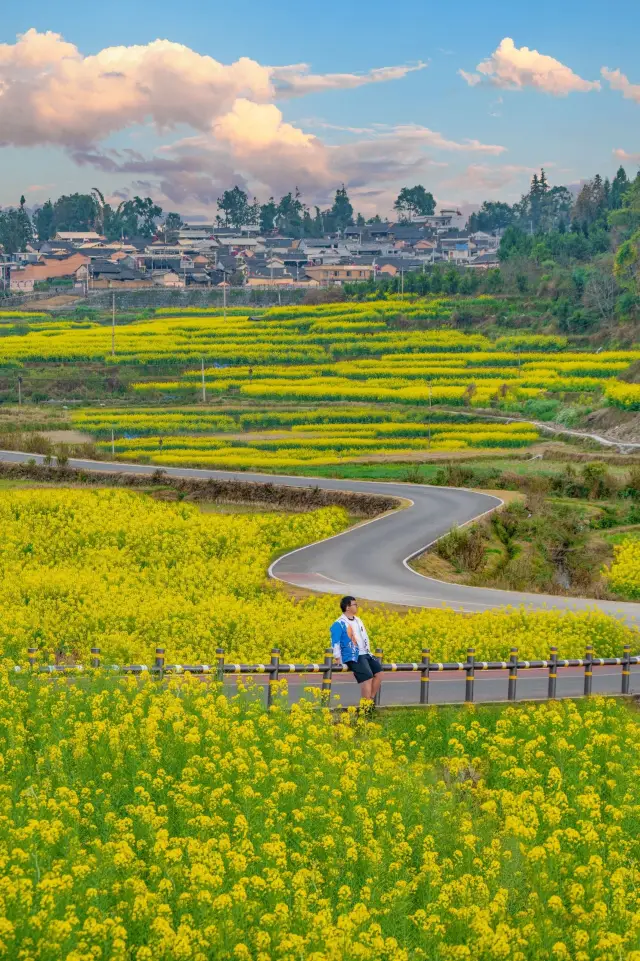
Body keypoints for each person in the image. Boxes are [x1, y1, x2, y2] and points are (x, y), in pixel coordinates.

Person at [330, 596, 382, 707]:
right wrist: (337, 656)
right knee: (367, 677)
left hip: (366, 653)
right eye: (354, 604)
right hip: (353, 655)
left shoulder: (358, 620)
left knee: (379, 673)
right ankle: (365, 708)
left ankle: (370, 701)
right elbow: (335, 641)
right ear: (348, 607)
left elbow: (364, 636)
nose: (357, 606)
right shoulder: (339, 623)